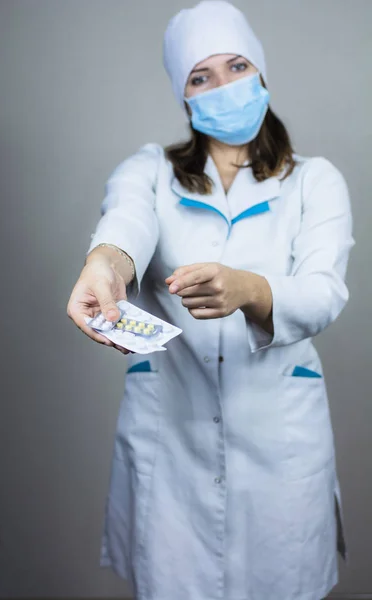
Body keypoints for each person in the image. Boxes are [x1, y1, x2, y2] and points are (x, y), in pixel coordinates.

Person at [67, 2, 354, 599]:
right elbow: (125, 223)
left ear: (262, 73)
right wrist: (103, 264)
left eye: (237, 65)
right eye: (202, 77)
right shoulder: (150, 171)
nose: (224, 86)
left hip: (280, 441)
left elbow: (324, 292)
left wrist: (250, 289)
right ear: (185, 97)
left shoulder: (314, 180)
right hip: (174, 438)